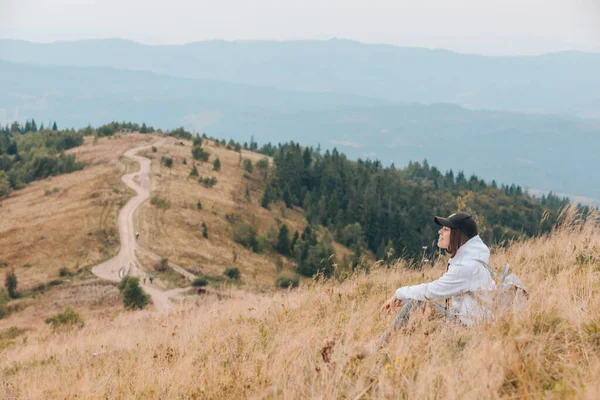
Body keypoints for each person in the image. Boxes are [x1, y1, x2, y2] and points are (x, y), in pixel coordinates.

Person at [379, 212, 496, 343]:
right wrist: (404, 299)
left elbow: (432, 292)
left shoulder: (467, 266)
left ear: (459, 235)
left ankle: (381, 346)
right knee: (415, 303)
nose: (440, 232)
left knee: (416, 304)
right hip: (468, 320)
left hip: (471, 329)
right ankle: (402, 347)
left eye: (446, 229)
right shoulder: (469, 260)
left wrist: (399, 293)